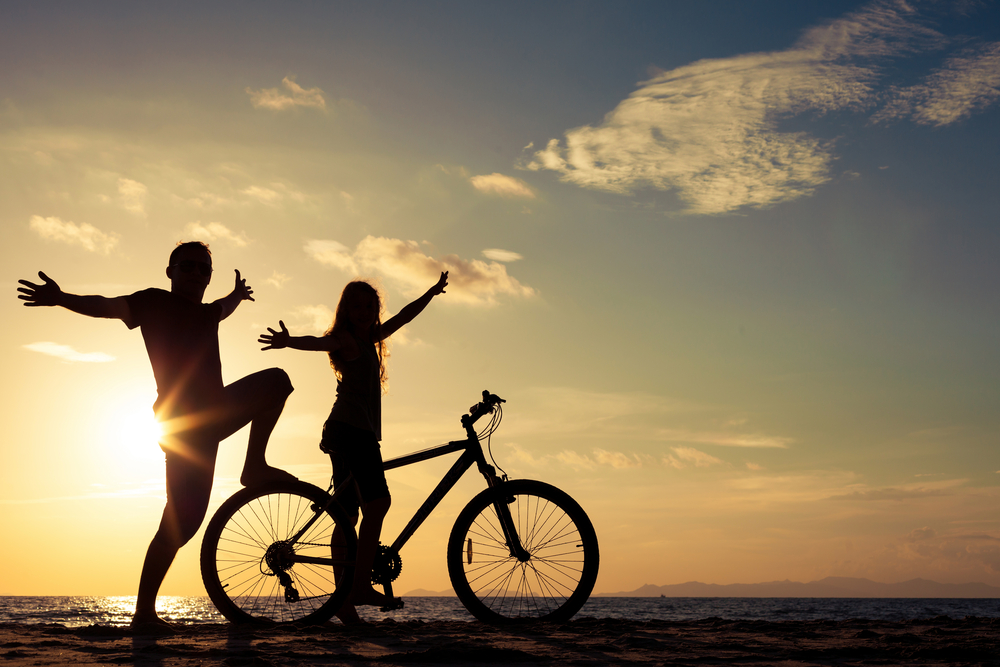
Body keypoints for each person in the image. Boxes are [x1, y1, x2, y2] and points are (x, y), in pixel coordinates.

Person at [17, 241, 296, 632]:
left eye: (203, 269)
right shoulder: (152, 302)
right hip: (182, 425)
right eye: (188, 267)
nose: (196, 274)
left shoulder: (206, 313)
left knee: (277, 381)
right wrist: (61, 297)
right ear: (170, 271)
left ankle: (254, 464)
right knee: (182, 522)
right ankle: (144, 612)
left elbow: (224, 308)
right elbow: (108, 305)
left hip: (214, 413)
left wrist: (235, 295)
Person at [258, 272, 448, 623]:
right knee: (378, 503)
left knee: (348, 516)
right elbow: (319, 342)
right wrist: (289, 341)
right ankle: (358, 586)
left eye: (370, 306)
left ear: (375, 310)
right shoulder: (345, 340)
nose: (364, 311)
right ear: (346, 310)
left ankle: (343, 603)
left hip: (349, 432)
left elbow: (404, 316)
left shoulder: (372, 337)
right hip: (350, 432)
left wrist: (431, 293)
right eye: (356, 306)